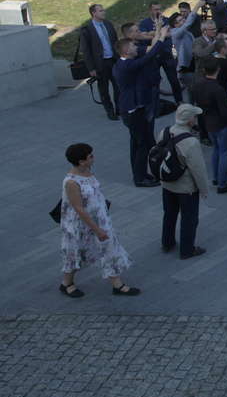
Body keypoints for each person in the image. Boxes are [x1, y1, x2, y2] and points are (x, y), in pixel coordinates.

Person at [58, 143, 141, 298]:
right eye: (90, 156)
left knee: (109, 248)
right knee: (76, 253)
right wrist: (97, 229)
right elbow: (78, 208)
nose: (93, 158)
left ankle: (117, 285)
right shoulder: (71, 182)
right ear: (81, 161)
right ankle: (66, 283)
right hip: (80, 226)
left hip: (100, 219)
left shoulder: (87, 171)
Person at [112, 30, 168, 187]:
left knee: (137, 143)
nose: (136, 48)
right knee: (141, 144)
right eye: (133, 46)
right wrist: (162, 38)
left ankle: (141, 173)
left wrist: (157, 31)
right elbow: (149, 56)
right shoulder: (127, 65)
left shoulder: (123, 62)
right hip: (132, 110)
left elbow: (149, 50)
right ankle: (140, 177)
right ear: (127, 51)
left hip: (134, 108)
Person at [160, 104, 211, 260]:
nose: (196, 119)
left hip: (167, 183)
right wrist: (204, 190)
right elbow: (198, 170)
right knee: (189, 219)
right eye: (194, 116)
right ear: (189, 121)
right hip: (186, 188)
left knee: (169, 214)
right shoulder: (191, 142)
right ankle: (187, 250)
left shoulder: (165, 132)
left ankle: (167, 243)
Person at [190, 60, 227, 194]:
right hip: (221, 125)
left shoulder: (198, 85)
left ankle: (216, 178)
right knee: (224, 153)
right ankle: (222, 184)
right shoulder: (218, 89)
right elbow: (225, 112)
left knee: (216, 150)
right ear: (218, 70)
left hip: (208, 122)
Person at [80, 3, 120, 120]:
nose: (104, 12)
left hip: (113, 60)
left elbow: (115, 41)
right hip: (100, 64)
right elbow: (86, 50)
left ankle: (119, 108)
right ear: (94, 13)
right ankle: (109, 110)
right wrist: (91, 68)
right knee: (104, 89)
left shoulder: (108, 24)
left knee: (118, 86)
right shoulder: (87, 29)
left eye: (103, 10)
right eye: (101, 11)